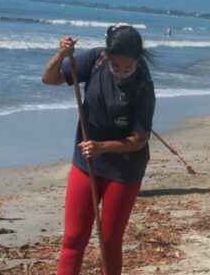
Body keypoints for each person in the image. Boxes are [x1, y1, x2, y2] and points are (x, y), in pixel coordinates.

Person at [41, 25, 156, 275]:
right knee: (73, 238)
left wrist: (102, 147)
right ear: (107, 56)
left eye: (128, 68)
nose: (121, 74)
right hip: (87, 162)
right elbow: (49, 79)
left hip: (125, 168)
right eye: (116, 67)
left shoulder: (144, 85)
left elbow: (139, 139)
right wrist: (61, 54)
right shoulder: (95, 60)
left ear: (138, 60)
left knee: (109, 241)